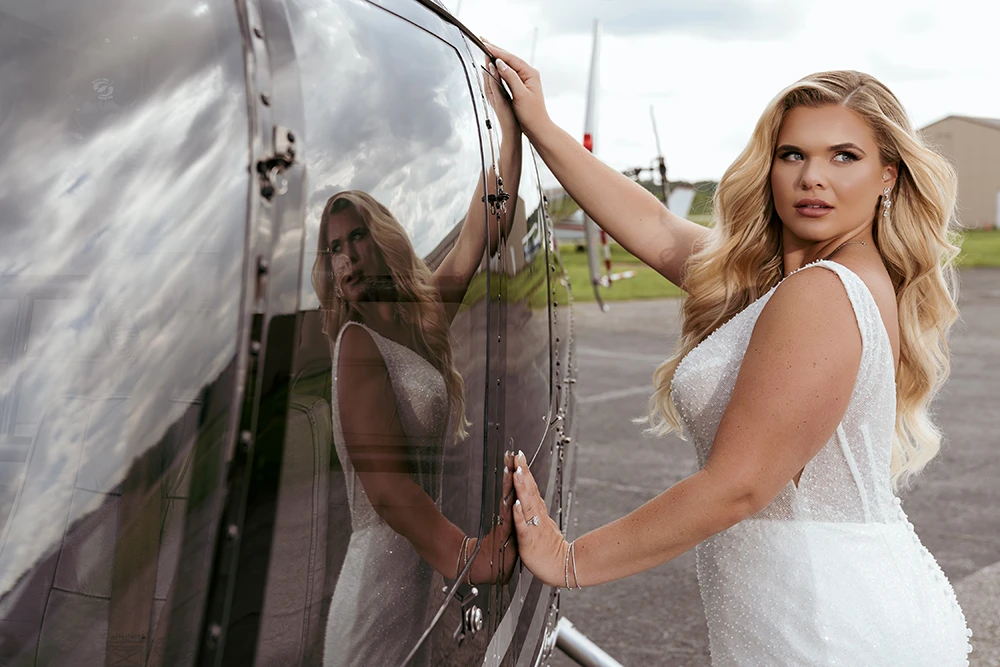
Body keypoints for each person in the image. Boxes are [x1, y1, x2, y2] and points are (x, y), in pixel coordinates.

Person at [484, 40, 974, 666]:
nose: (812, 177)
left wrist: (570, 560)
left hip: (826, 625)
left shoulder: (824, 291)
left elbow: (739, 485)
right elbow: (658, 229)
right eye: (792, 154)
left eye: (844, 156)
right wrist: (544, 129)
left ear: (889, 175)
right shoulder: (799, 282)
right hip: (822, 602)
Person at [315, 64, 523, 667]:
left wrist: (509, 133)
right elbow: (386, 490)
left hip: (414, 579)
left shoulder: (417, 318)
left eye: (356, 237)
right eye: (334, 248)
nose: (347, 257)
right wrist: (471, 558)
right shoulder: (356, 344)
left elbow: (483, 228)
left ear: (380, 239)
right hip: (375, 590)